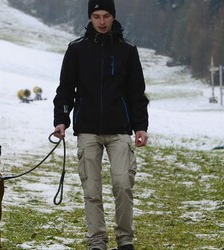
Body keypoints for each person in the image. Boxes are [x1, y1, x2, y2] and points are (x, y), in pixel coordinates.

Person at [53, 0, 149, 249]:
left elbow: (137, 93)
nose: (102, 21)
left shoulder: (128, 50)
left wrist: (141, 127)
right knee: (92, 190)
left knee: (123, 184)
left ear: (113, 17)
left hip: (120, 131)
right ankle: (97, 241)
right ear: (90, 18)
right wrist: (61, 120)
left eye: (106, 16)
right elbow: (65, 90)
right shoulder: (76, 49)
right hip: (87, 130)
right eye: (96, 16)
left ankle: (125, 240)